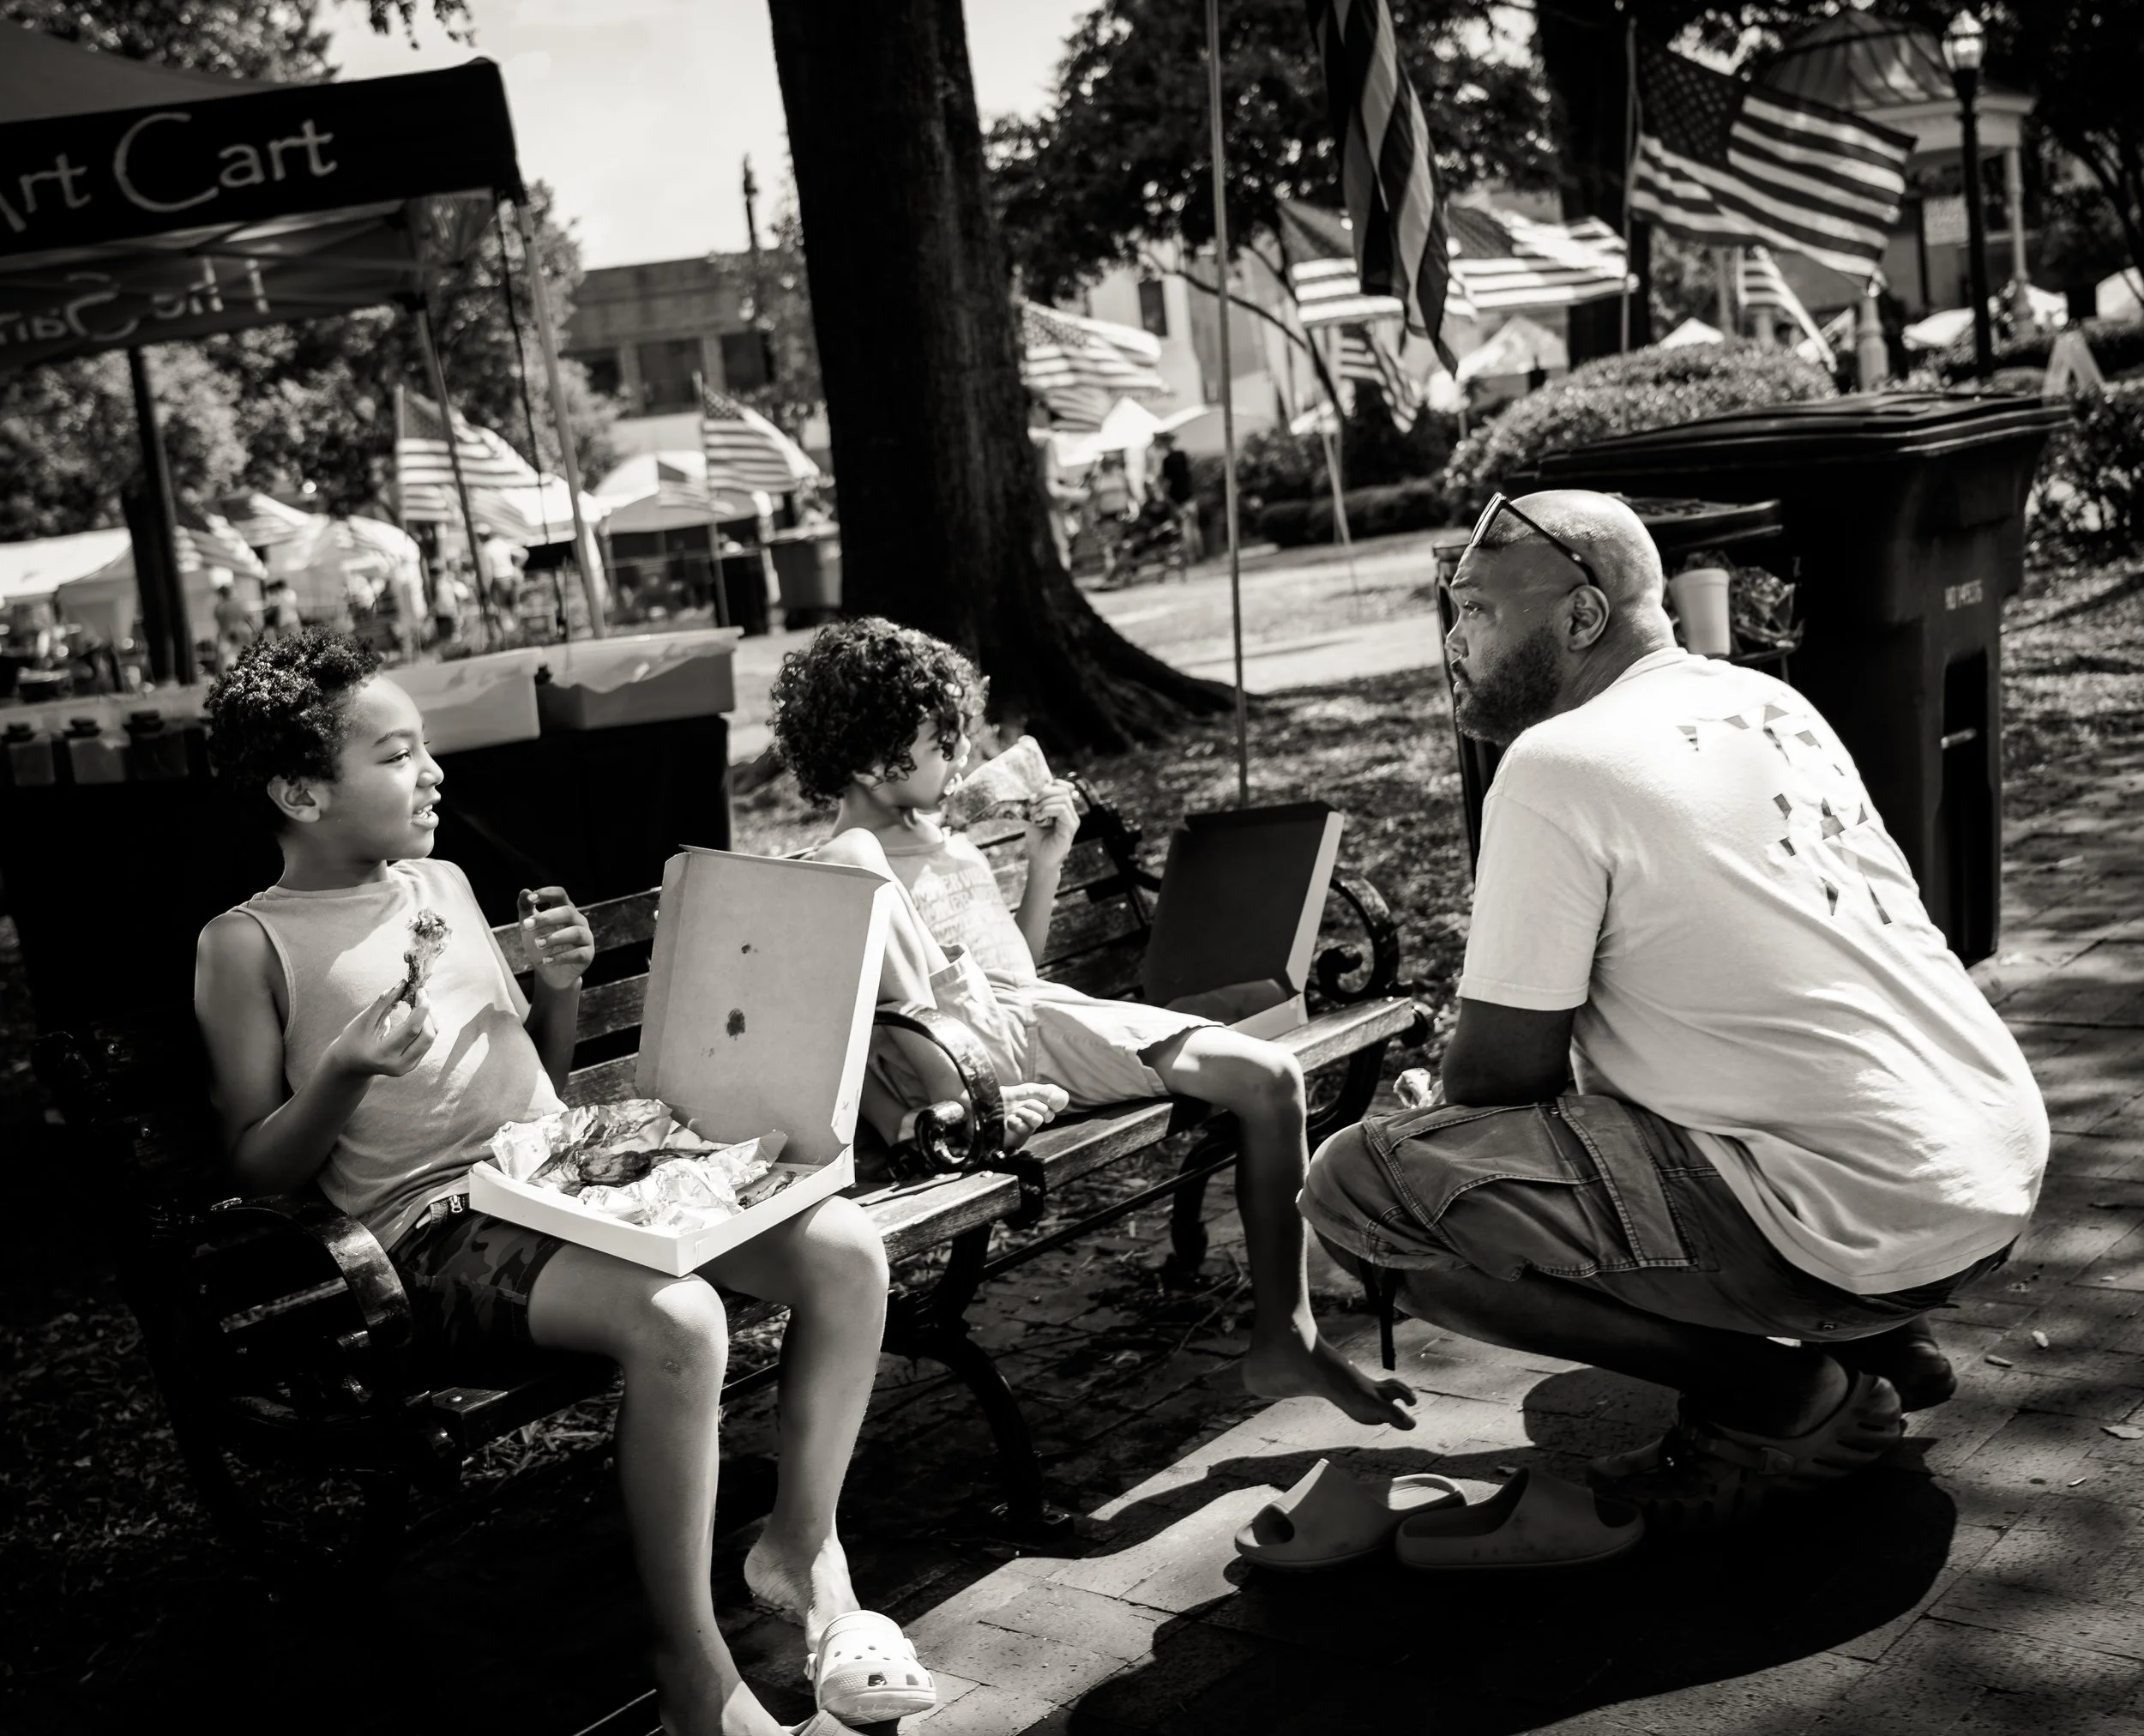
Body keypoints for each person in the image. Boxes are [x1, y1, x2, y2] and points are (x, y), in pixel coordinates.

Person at [193, 630, 927, 1736]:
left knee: (844, 1252)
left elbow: (534, 1073)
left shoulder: (437, 880)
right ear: (299, 790)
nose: (431, 771)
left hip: (562, 1180)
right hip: (431, 1231)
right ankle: (691, 1669)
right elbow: (253, 1164)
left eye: (425, 747)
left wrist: (559, 987)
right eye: (394, 755)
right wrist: (343, 1069)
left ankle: (804, 1550)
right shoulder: (244, 943)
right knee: (679, 1322)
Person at [1301, 491, 2048, 1529]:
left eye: (1473, 607)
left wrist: (1442, 1109)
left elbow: (1498, 1080)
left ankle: (1781, 1396)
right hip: (1990, 1173)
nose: (1453, 637)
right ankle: (1876, 1336)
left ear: (1581, 617)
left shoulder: (1555, 764)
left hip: (1857, 1216)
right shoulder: (1767, 702)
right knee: (1662, 1108)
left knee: (1357, 1191)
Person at [768, 618, 1417, 1431]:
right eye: (943, 740)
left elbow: (1019, 970)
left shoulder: (946, 838)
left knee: (1272, 1077)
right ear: (871, 761)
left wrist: (1045, 862)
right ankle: (1284, 1333)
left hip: (1030, 1023)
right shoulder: (847, 861)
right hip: (965, 1056)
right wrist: (923, 1103)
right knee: (1265, 1077)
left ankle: (1287, 1334)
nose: (964, 755)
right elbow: (880, 1019)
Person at [1151, 431, 1201, 564]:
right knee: (1193, 526)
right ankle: (1198, 554)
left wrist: (1164, 496)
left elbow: (1164, 482)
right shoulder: (1182, 455)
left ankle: (1192, 557)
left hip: (1177, 499)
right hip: (1189, 495)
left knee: (1185, 527)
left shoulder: (1166, 460)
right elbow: (1191, 474)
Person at [1087, 451, 1134, 582]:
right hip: (1105, 516)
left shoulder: (1120, 475)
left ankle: (1120, 573)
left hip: (1121, 514)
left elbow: (1130, 492)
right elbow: (1092, 496)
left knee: (1122, 545)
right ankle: (1113, 574)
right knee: (1110, 547)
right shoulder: (1098, 478)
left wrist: (1133, 508)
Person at [212, 576, 256, 673]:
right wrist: (255, 631)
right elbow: (249, 619)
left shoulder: (219, 607)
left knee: (229, 663)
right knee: (246, 659)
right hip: (243, 632)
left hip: (228, 635)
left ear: (221, 595)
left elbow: (221, 624)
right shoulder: (241, 603)